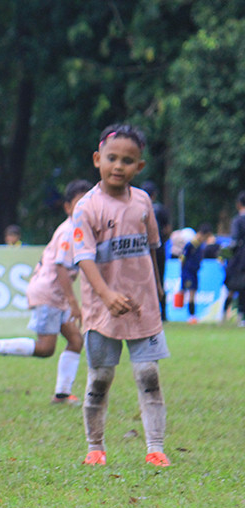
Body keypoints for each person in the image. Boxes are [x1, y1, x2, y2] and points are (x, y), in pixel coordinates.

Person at [70, 123, 169, 467]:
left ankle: (155, 447)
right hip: (103, 310)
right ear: (98, 159)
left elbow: (154, 247)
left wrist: (157, 286)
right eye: (112, 158)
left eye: (127, 160)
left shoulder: (143, 202)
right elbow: (83, 258)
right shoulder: (86, 207)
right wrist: (106, 294)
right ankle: (94, 447)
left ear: (139, 167)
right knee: (100, 377)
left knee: (148, 375)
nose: (118, 166)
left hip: (143, 308)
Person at [0, 179, 93, 405]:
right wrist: (73, 301)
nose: (84, 209)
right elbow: (61, 267)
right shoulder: (70, 231)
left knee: (75, 340)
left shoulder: (80, 230)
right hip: (50, 292)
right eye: (79, 204)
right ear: (68, 207)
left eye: (88, 203)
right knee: (46, 348)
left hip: (55, 293)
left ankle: (62, 394)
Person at [142, 181, 171, 321]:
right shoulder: (161, 209)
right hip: (159, 249)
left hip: (140, 250)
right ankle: (163, 314)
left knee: (142, 281)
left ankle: (146, 313)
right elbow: (167, 229)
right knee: (159, 279)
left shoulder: (136, 208)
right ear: (154, 195)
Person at [179, 224, 209, 324]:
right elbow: (182, 258)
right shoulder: (190, 245)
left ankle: (192, 315)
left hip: (194, 272)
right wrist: (183, 272)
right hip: (188, 272)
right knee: (190, 294)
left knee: (193, 293)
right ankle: (191, 316)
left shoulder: (200, 246)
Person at [223, 191, 245, 322]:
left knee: (233, 285)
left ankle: (226, 314)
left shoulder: (237, 220)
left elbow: (234, 240)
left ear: (238, 205)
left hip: (239, 259)